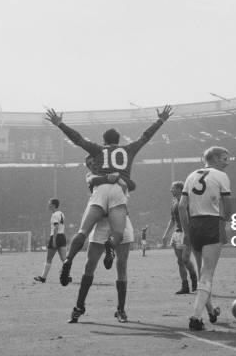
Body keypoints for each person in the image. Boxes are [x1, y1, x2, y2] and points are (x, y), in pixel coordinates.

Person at [45, 104, 173, 285]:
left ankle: (68, 260)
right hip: (118, 194)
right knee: (119, 233)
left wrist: (60, 124)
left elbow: (78, 139)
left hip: (99, 194)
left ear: (104, 141)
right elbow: (145, 137)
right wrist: (160, 120)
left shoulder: (98, 151)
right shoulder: (128, 150)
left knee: (83, 231)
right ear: (118, 140)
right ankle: (112, 247)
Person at [69, 156, 134, 323]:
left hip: (120, 222)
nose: (92, 166)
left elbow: (129, 187)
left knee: (122, 266)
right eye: (89, 164)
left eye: (94, 162)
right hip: (101, 225)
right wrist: (111, 178)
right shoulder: (92, 178)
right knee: (89, 265)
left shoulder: (117, 175)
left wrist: (118, 178)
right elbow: (92, 180)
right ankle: (79, 306)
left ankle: (120, 309)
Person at [178, 146, 232, 331]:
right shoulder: (221, 176)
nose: (227, 161)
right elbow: (228, 205)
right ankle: (195, 317)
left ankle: (210, 311)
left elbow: (181, 206)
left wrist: (186, 231)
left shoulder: (191, 175)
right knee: (208, 273)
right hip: (212, 223)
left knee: (203, 273)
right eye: (224, 158)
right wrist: (225, 223)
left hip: (194, 225)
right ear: (215, 159)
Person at [161, 181, 198, 294]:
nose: (170, 190)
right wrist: (165, 235)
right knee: (179, 261)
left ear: (179, 189)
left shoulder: (187, 201)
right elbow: (172, 220)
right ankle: (185, 286)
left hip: (187, 233)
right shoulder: (174, 202)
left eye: (173, 188)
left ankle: (193, 276)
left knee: (185, 259)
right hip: (177, 234)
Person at [34, 199, 66, 283]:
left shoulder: (55, 215)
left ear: (54, 205)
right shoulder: (61, 213)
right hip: (62, 236)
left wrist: (54, 240)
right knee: (64, 259)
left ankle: (43, 277)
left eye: (50, 204)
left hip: (55, 236)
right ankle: (67, 275)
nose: (48, 205)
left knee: (49, 259)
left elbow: (55, 227)